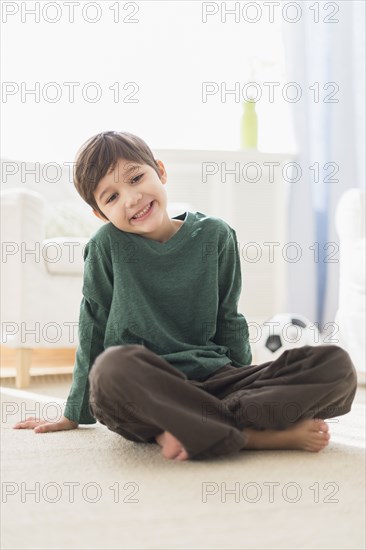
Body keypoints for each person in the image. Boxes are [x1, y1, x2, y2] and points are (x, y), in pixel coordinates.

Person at [14, 131, 358, 461]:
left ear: (160, 171)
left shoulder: (215, 235)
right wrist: (74, 412)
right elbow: (93, 326)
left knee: (337, 367)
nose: (131, 198)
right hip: (149, 389)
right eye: (112, 197)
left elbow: (229, 318)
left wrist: (245, 383)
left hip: (216, 379)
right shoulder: (105, 247)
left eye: (135, 179)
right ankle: (251, 436)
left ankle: (190, 426)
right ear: (100, 213)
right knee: (110, 370)